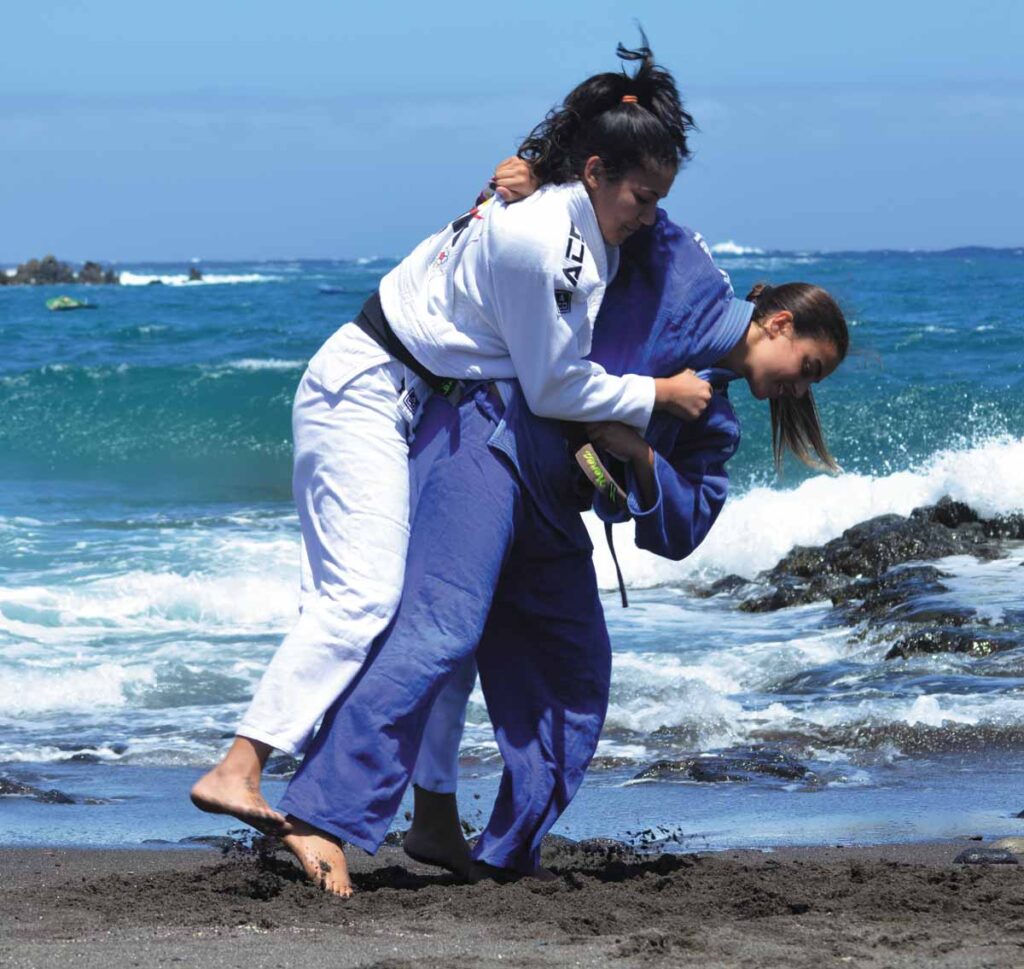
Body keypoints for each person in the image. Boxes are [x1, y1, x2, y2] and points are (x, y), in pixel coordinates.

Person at [190, 38, 709, 833]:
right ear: (596, 171)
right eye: (641, 197)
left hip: (410, 400)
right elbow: (555, 384)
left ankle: (412, 810)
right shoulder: (550, 246)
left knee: (425, 619)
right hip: (363, 390)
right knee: (362, 599)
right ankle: (242, 768)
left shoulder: (560, 212)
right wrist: (658, 394)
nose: (648, 218)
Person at [273, 207, 849, 894]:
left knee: (577, 678)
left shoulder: (714, 421)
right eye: (807, 366)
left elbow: (683, 525)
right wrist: (529, 166)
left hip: (552, 506)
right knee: (439, 630)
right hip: (487, 435)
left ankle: (505, 849)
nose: (801, 388)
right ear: (779, 323)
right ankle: (317, 816)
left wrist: (639, 455)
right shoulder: (685, 281)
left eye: (814, 382)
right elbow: (617, 196)